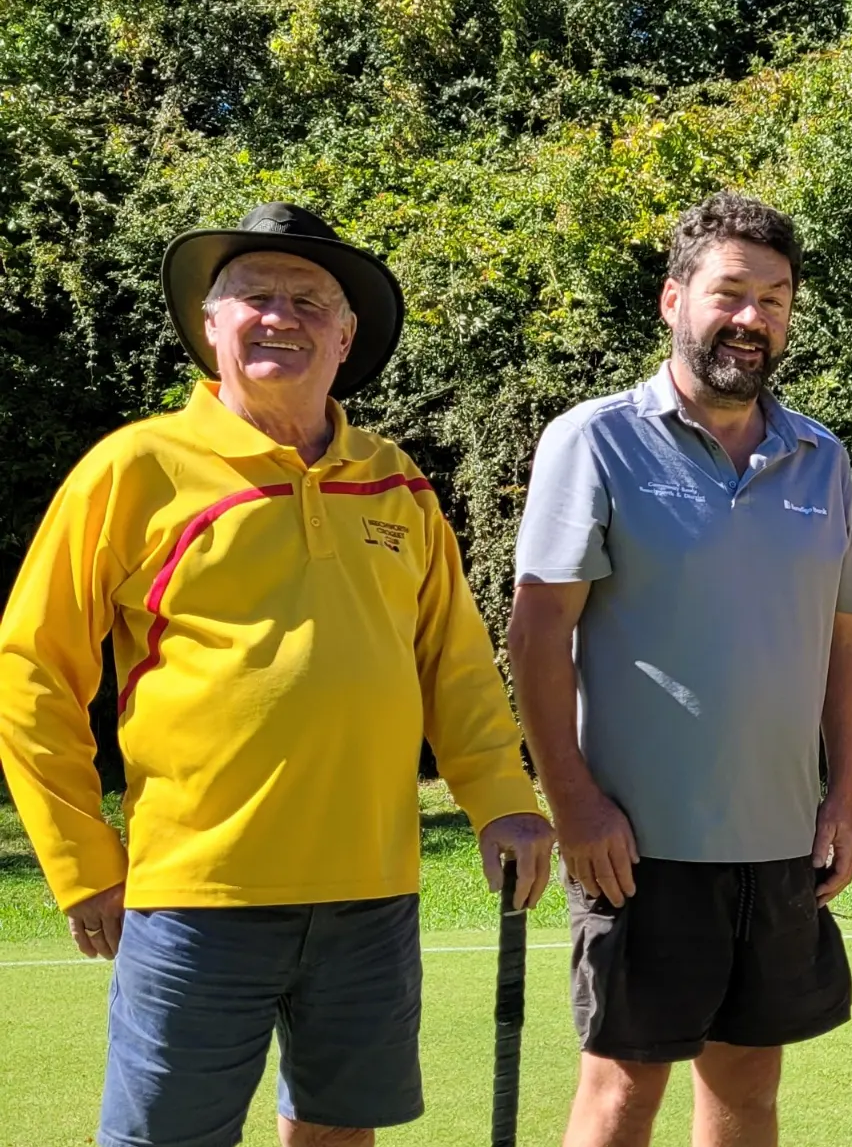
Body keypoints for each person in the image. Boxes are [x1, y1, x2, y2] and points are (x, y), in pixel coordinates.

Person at [0, 201, 554, 1147]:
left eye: (308, 300)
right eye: (253, 295)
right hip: (194, 896)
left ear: (345, 337)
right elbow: (32, 669)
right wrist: (82, 859)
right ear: (209, 326)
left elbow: (453, 664)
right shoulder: (134, 467)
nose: (280, 316)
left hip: (372, 891)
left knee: (341, 1133)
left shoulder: (398, 481)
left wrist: (502, 795)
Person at [509, 192, 852, 1147]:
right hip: (639, 848)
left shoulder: (820, 457)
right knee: (621, 1098)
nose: (753, 318)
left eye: (777, 298)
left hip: (780, 843)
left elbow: (849, 638)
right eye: (730, 292)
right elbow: (538, 630)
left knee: (748, 1098)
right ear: (674, 299)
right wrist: (573, 803)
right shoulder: (593, 439)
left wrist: (840, 800)